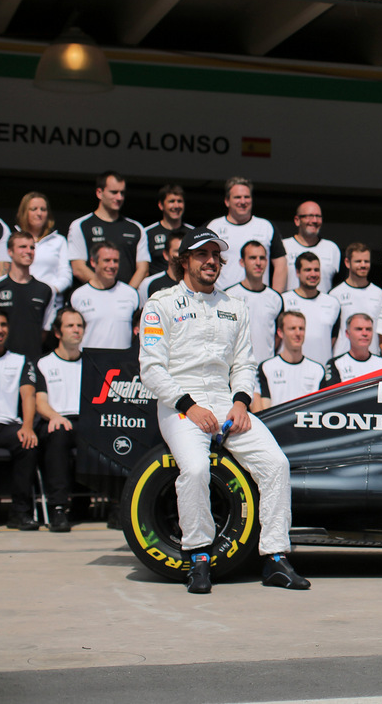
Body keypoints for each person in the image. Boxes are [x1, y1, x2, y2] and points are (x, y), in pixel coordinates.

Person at [139, 227, 307, 592]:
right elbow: (151, 369)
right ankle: (199, 558)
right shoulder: (160, 304)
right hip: (179, 403)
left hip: (225, 401)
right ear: (184, 260)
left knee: (276, 464)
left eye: (216, 255)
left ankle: (276, 558)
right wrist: (190, 407)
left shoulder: (235, 306)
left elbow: (244, 364)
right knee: (197, 468)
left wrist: (241, 401)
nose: (211, 261)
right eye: (202, 254)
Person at [33, 308, 87, 532]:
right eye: (70, 326)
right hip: (56, 420)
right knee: (59, 433)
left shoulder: (91, 364)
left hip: (85, 422)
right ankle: (57, 508)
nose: (76, 330)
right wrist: (55, 416)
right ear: (57, 332)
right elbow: (40, 402)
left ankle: (114, 505)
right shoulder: (44, 364)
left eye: (80, 326)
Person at [0, 309, 41, 530]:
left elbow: (28, 394)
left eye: (3, 325)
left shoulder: (20, 360)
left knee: (27, 443)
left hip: (6, 425)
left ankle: (20, 512)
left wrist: (28, 426)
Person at [67, 170, 150, 288]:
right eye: (114, 192)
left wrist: (127, 294)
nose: (119, 197)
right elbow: (78, 268)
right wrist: (103, 291)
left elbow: (143, 269)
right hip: (92, 298)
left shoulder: (136, 228)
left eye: (122, 193)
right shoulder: (80, 225)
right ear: (99, 193)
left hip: (126, 301)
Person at [206, 177, 287, 291]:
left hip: (259, 299)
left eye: (247, 197)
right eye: (237, 197)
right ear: (227, 201)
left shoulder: (266, 227)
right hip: (221, 299)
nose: (243, 202)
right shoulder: (213, 227)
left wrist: (276, 297)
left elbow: (280, 265)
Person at [0, 193, 72, 307]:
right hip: (19, 300)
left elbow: (65, 274)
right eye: (34, 209)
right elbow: (5, 271)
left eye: (43, 209)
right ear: (24, 212)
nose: (39, 213)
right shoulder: (12, 238)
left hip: (51, 302)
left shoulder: (58, 240)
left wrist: (49, 290)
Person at [0, 232, 55, 359]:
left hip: (32, 360)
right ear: (10, 252)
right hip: (0, 361)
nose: (29, 251)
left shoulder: (46, 290)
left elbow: (44, 331)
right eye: (23, 247)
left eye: (32, 247)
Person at [70, 241, 140, 350]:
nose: (112, 265)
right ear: (93, 262)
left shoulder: (131, 294)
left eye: (115, 261)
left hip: (122, 362)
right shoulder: (78, 296)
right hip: (89, 362)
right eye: (107, 260)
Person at [224, 241, 284, 363]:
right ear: (242, 262)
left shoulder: (276, 298)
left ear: (267, 262)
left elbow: (279, 336)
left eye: (262, 258)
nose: (258, 263)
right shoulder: (229, 296)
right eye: (252, 258)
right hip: (237, 369)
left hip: (265, 369)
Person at [255, 310, 326, 410]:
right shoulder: (267, 367)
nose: (298, 333)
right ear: (280, 332)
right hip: (277, 424)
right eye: (292, 328)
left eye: (301, 329)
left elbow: (321, 408)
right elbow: (264, 409)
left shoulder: (318, 370)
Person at [280, 252, 341, 366]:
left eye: (316, 270)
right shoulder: (283, 300)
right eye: (308, 270)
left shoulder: (333, 303)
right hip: (289, 366)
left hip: (321, 370)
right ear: (297, 272)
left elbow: (333, 338)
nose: (313, 274)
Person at [330, 242, 382, 356]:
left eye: (366, 261)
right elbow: (331, 333)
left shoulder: (379, 293)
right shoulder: (335, 294)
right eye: (358, 261)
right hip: (342, 358)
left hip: (373, 358)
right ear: (347, 263)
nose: (363, 265)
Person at [283, 201, 340, 295]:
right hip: (291, 307)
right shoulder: (284, 247)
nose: (314, 220)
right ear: (297, 220)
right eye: (309, 216)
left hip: (323, 308)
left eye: (318, 216)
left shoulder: (332, 248)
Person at [322, 313, 382, 385]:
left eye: (368, 329)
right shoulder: (335, 364)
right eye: (359, 329)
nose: (364, 333)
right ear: (347, 333)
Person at [143, 183, 192, 266]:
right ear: (161, 205)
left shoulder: (192, 232)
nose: (176, 206)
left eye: (179, 201)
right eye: (171, 201)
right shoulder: (147, 233)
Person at [138, 230, 186, 306]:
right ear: (166, 254)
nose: (181, 255)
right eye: (177, 251)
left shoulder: (197, 284)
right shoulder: (149, 284)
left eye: (184, 251)